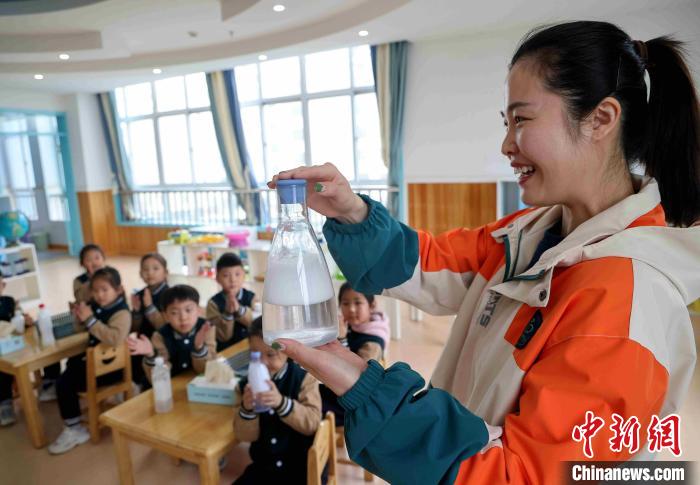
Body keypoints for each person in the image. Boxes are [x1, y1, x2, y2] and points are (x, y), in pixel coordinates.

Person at [268, 21, 700, 484]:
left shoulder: (628, 303)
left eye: (522, 120)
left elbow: (520, 476)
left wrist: (366, 388)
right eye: (505, 123)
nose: (506, 144)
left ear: (601, 118)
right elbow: (427, 263)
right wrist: (351, 212)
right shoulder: (532, 233)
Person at [49, 267, 131, 455]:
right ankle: (73, 415)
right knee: (69, 367)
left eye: (104, 290)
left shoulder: (122, 313)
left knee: (64, 384)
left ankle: (74, 429)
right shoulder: (95, 306)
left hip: (112, 369)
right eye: (95, 291)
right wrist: (80, 318)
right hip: (95, 363)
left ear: (118, 290)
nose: (99, 295)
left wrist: (91, 320)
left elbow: (114, 338)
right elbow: (82, 331)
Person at [233, 317, 322, 485]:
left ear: (287, 352)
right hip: (264, 467)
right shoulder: (244, 386)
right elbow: (244, 436)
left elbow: (312, 423)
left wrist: (282, 403)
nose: (263, 362)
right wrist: (247, 409)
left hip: (300, 468)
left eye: (270, 354)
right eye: (255, 355)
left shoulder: (303, 380)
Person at [39, 243, 107, 403]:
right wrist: (91, 281)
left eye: (97, 258)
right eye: (88, 260)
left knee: (84, 356)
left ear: (103, 259)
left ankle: (68, 383)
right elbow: (81, 299)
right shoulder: (80, 280)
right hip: (83, 322)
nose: (94, 262)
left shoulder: (110, 276)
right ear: (82, 264)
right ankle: (52, 381)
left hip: (99, 322)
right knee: (54, 338)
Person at [321, 282, 390, 426]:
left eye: (358, 303)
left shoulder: (373, 343)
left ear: (371, 305)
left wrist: (341, 340)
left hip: (352, 405)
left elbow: (355, 378)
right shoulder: (352, 327)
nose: (351, 309)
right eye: (345, 303)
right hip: (337, 391)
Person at [128, 284, 216, 381]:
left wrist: (199, 348)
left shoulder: (207, 329)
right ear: (165, 316)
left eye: (188, 310)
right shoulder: (159, 336)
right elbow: (161, 379)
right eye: (174, 313)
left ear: (198, 310)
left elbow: (208, 370)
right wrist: (151, 355)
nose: (183, 317)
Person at [130, 253, 170, 388]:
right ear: (140, 274)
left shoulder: (169, 295)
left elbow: (165, 327)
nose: (150, 273)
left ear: (166, 273)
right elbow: (134, 329)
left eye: (155, 268)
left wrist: (149, 307)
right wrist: (136, 313)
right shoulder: (139, 294)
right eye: (145, 269)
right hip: (143, 341)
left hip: (161, 344)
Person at [0, 274, 33, 426]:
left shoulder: (9, 301)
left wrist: (25, 321)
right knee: (2, 369)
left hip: (14, 343)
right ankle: (5, 404)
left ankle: (48, 383)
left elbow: (18, 322)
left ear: (3, 285)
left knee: (37, 344)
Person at [206, 252, 256, 351]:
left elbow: (255, 325)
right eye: (226, 275)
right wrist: (228, 313)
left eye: (237, 274)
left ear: (244, 275)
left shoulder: (252, 297)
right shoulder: (213, 303)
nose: (233, 280)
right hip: (226, 350)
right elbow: (223, 336)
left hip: (251, 348)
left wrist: (239, 310)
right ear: (217, 278)